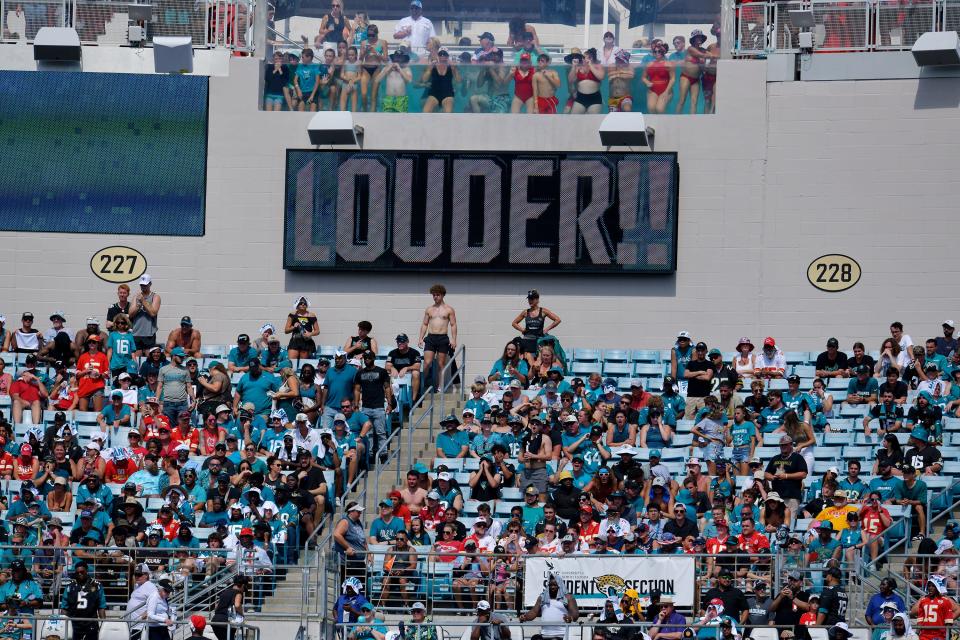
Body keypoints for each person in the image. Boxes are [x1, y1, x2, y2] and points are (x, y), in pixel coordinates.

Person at [419, 284, 457, 389]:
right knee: (427, 362)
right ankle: (422, 385)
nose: (435, 297)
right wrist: (420, 338)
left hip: (442, 338)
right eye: (434, 295)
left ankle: (440, 387)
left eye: (437, 295)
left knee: (441, 364)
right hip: (430, 337)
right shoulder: (429, 309)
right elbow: (424, 324)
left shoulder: (449, 309)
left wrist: (454, 339)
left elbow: (453, 325)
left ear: (443, 295)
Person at [519, 573, 577, 638]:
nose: (552, 587)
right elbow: (534, 612)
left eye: (555, 585)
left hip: (562, 634)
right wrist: (525, 617)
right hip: (545, 634)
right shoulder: (542, 597)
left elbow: (575, 613)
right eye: (550, 585)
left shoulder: (568, 597)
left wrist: (570, 618)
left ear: (560, 585)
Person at [59, 560, 106, 640]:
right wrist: (63, 625)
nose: (79, 574)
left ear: (86, 571)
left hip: (91, 624)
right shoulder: (70, 587)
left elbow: (101, 607)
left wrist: (104, 624)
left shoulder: (97, 586)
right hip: (74, 624)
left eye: (82, 572)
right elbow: (64, 608)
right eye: (77, 572)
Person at [911, 575, 960, 640]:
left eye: (933, 586)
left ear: (938, 587)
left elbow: (949, 620)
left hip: (939, 635)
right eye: (929, 586)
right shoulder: (923, 600)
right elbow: (919, 618)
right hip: (924, 635)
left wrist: (943, 622)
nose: (930, 588)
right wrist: (916, 634)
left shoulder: (945, 600)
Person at [130, 274, 161, 354]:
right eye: (141, 285)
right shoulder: (136, 296)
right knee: (136, 358)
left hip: (149, 334)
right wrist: (138, 306)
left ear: (150, 284)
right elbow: (130, 314)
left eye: (145, 285)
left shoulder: (155, 297)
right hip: (136, 333)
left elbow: (153, 313)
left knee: (149, 357)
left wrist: (143, 301)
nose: (143, 287)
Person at [126, 564, 158, 640]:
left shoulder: (150, 586)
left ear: (146, 575)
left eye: (139, 575)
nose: (136, 577)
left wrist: (146, 614)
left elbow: (157, 602)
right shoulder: (138, 585)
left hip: (139, 625)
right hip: (132, 623)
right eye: (136, 574)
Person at [568, 48, 604, 114]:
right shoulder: (578, 67)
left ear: (592, 58)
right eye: (584, 57)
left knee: (592, 121)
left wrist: (590, 65)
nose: (585, 59)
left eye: (589, 57)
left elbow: (601, 77)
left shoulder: (598, 66)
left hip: (594, 98)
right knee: (573, 119)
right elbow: (571, 80)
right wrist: (574, 66)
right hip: (580, 97)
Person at [212, 575, 248, 640]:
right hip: (226, 622)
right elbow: (237, 605)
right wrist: (242, 614)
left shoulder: (225, 591)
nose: (243, 590)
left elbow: (216, 606)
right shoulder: (238, 593)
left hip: (215, 621)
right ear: (243, 585)